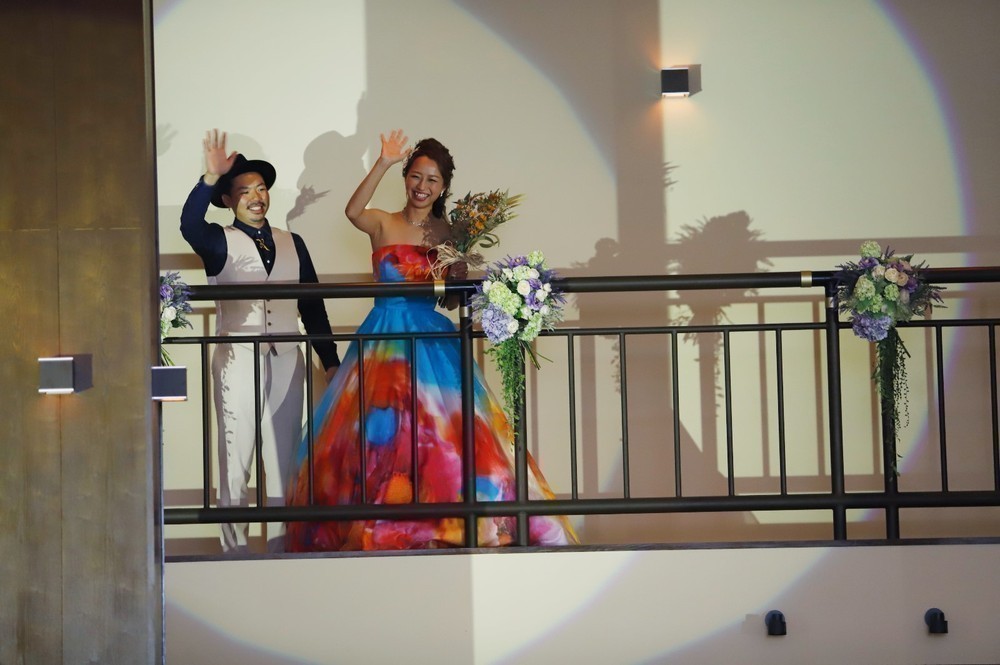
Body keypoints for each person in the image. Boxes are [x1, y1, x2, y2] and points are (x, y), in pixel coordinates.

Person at [285, 129, 578, 550]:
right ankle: (381, 524)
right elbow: (353, 211)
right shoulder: (383, 222)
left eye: (432, 180)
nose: (422, 186)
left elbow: (452, 302)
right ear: (406, 178)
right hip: (383, 335)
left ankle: (443, 523)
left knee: (442, 431)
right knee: (380, 431)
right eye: (416, 176)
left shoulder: (449, 233)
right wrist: (383, 161)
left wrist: (459, 276)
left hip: (430, 338)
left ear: (443, 188)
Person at [180, 128, 341, 554]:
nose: (256, 197)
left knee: (285, 462)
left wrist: (330, 361)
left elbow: (313, 306)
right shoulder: (218, 240)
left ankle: (280, 553)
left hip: (287, 359)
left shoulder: (293, 243)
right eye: (245, 190)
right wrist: (209, 177)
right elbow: (188, 225)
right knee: (235, 461)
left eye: (261, 188)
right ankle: (234, 554)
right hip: (236, 360)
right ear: (228, 200)